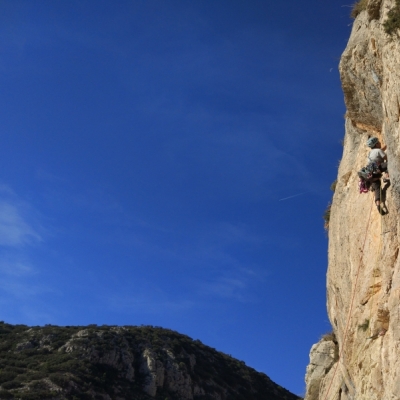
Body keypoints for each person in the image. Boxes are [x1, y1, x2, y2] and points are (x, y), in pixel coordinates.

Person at [367, 137, 389, 214]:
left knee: (377, 188)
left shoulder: (370, 154)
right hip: (379, 168)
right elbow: (386, 157)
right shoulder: (379, 150)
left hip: (371, 174)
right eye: (378, 142)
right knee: (389, 163)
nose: (380, 143)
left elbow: (376, 154)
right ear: (376, 144)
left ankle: (378, 204)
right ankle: (387, 177)